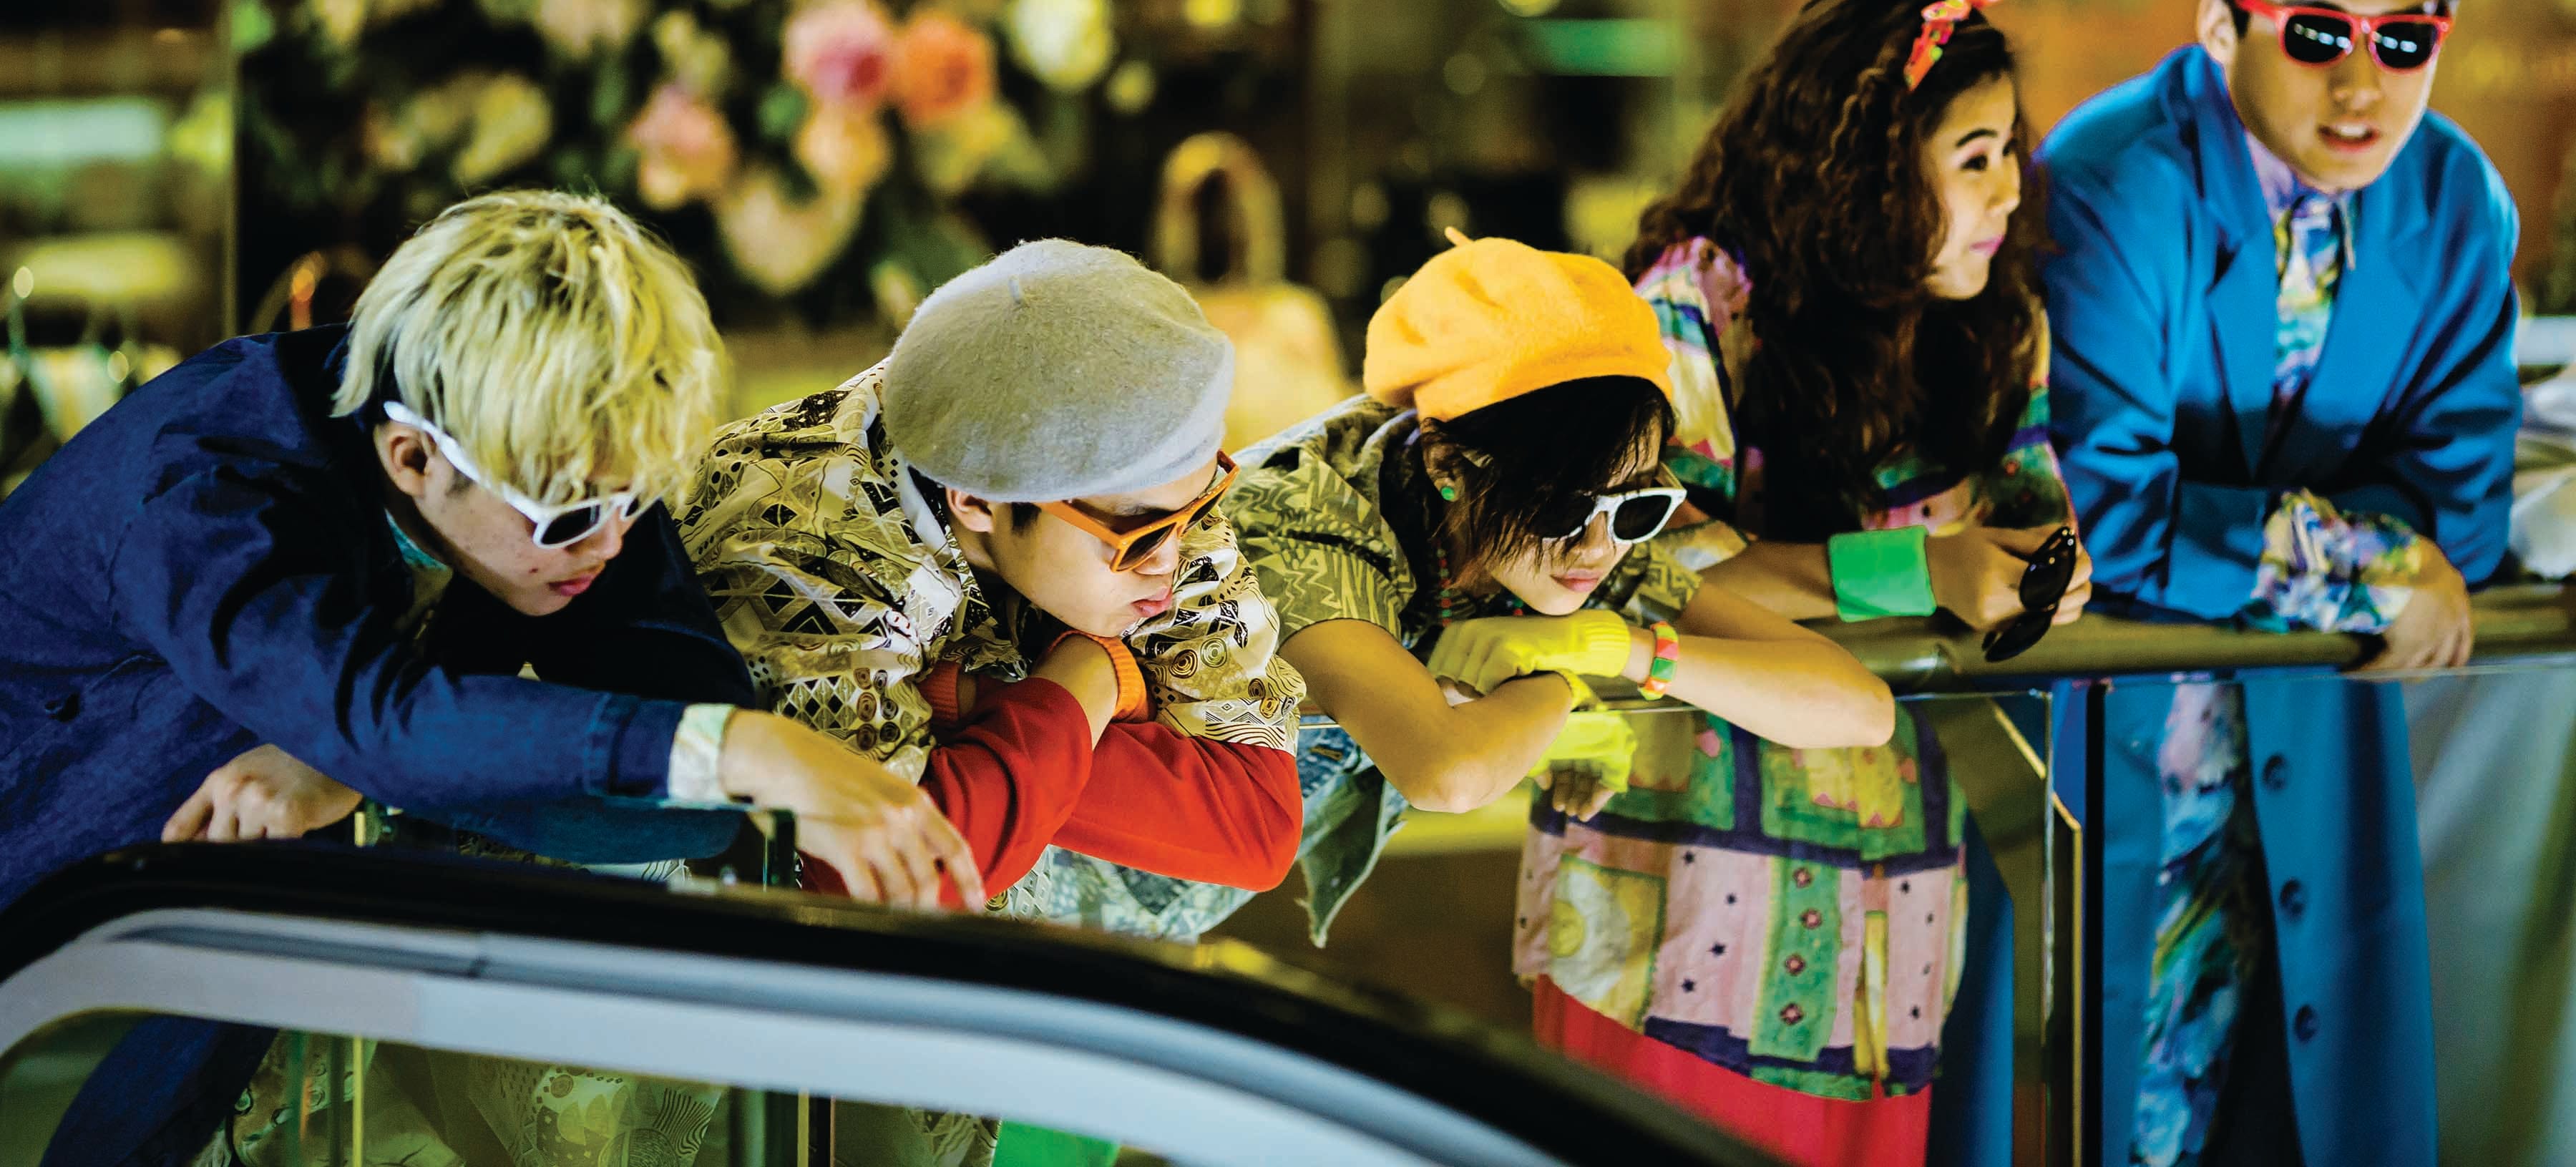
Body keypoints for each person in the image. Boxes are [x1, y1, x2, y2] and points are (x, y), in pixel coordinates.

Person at [0, 190, 981, 1167]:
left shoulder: (549, 463)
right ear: (413, 457)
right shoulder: (209, 502)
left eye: (636, 500)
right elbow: (410, 726)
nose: (609, 545)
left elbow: (682, 791)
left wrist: (361, 758)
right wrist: (746, 750)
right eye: (566, 520)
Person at [2040, 0, 2514, 1167]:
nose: (2362, 87)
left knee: (2320, 1114)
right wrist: (2372, 565)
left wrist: (2314, 547)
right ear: (2217, 25)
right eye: (2315, 33)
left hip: (2324, 741)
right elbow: (2107, 517)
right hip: (2121, 742)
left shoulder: (2456, 202)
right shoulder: (2117, 180)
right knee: (2121, 1113)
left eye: (2405, 39)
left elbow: (2464, 511)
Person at [1572, 0, 2092, 1167]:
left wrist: (2049, 567)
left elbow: (2025, 506)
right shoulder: (1691, 301)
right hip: (1682, 876)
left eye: (2011, 150)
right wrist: (1922, 569)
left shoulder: (1990, 320)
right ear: (1865, 161)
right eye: (1973, 157)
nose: (2011, 189)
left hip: (1892, 895)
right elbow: (1653, 563)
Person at [678, 239, 1306, 1167]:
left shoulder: (1143, 481)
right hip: (735, 1039)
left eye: (1200, 504)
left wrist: (964, 709)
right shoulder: (807, 541)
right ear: (975, 504)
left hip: (1014, 1026)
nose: (1174, 566)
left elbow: (1258, 824)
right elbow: (911, 891)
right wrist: (1090, 677)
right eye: (1136, 540)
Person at [1211, 236, 1895, 988]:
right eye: (1566, 505)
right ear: (1447, 465)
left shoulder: (1576, 524)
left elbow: (1860, 709)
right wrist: (1562, 681)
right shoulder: (1310, 515)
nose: (1600, 544)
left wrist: (1618, 647)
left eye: (1636, 502)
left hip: (1205, 898)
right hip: (1075, 885)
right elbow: (1447, 772)